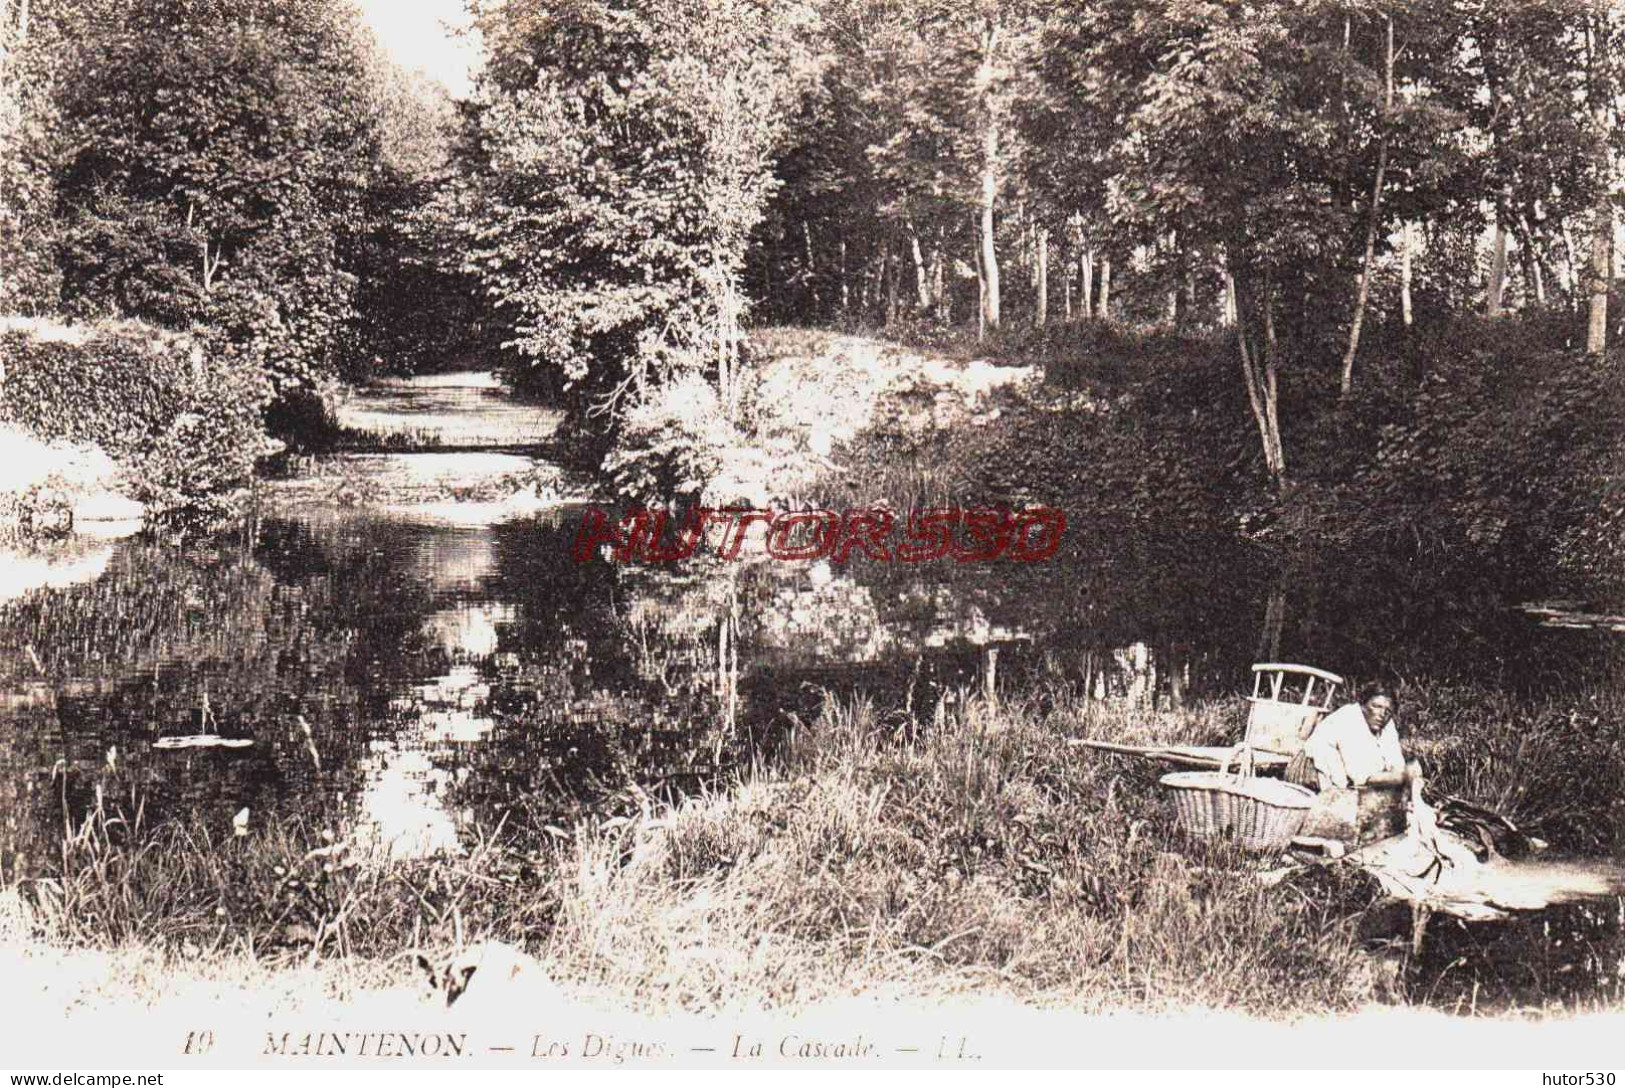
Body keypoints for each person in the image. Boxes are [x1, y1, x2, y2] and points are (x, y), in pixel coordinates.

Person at [1300, 683, 1410, 791]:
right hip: (1316, 770)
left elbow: (1396, 760)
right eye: (1376, 706)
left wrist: (1402, 774)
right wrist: (1401, 777)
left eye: (1388, 710)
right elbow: (1360, 775)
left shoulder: (1387, 722)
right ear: (1363, 705)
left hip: (1354, 775)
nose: (1382, 714)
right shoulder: (1350, 718)